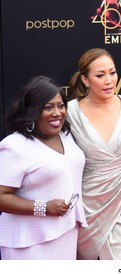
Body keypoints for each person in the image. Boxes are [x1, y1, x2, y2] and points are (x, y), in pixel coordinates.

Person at [0, 76, 87, 260]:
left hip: (66, 233)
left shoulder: (66, 135)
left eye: (61, 105)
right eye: (48, 107)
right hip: (28, 244)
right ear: (32, 111)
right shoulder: (15, 146)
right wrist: (43, 208)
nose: (57, 113)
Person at [67, 48, 121, 260]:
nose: (109, 80)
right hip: (86, 203)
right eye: (100, 75)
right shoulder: (71, 112)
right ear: (85, 79)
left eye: (113, 72)